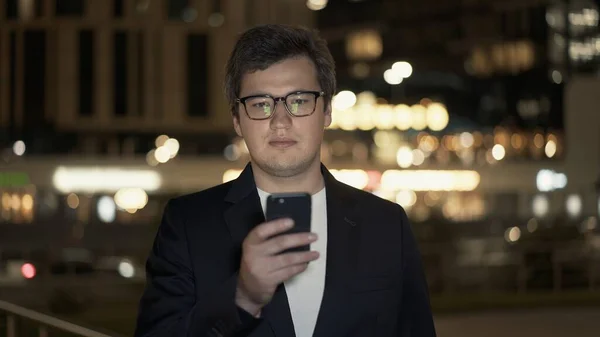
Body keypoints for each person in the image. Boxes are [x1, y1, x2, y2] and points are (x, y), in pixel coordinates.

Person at [134, 24, 436, 337]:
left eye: (300, 100)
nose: (281, 122)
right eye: (261, 104)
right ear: (237, 120)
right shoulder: (187, 224)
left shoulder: (387, 225)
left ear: (327, 111)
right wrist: (243, 297)